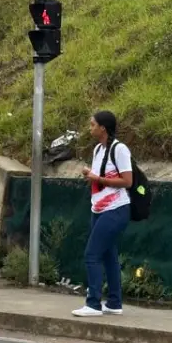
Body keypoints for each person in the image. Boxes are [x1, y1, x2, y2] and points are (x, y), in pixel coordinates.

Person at [72, 110, 133, 318]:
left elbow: (127, 181)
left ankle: (93, 304)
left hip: (116, 210)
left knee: (92, 254)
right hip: (98, 209)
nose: (90, 128)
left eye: (92, 125)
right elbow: (101, 177)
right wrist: (92, 175)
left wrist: (98, 179)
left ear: (103, 128)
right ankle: (114, 303)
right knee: (108, 255)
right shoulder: (98, 149)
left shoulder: (120, 149)